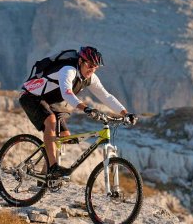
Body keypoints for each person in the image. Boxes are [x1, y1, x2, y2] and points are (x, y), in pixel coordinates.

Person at [19, 46, 136, 179]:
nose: (92, 70)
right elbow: (67, 93)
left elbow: (106, 96)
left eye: (95, 67)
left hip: (49, 102)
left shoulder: (90, 77)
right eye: (90, 65)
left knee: (64, 136)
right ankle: (53, 167)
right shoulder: (68, 70)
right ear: (80, 61)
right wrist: (85, 108)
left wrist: (125, 113)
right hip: (30, 95)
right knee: (50, 120)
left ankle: (45, 177)